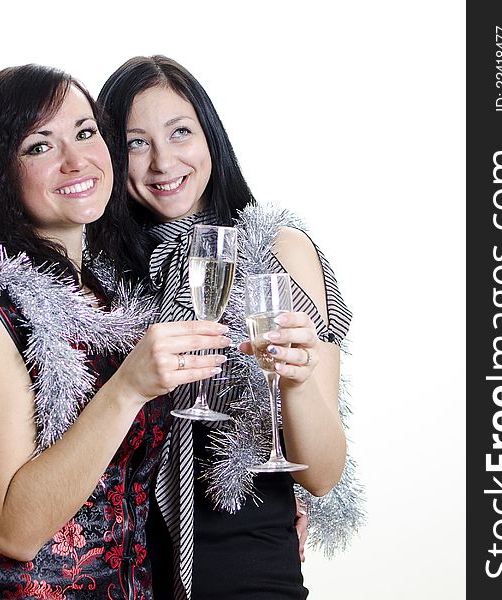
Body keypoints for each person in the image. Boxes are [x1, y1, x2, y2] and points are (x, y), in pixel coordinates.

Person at [0, 64, 233, 600]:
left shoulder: (111, 301)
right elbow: (14, 530)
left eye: (86, 133)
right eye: (40, 146)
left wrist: (280, 495)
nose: (76, 160)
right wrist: (129, 388)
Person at [88, 56, 364, 599]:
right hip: (116, 577)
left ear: (211, 135)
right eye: (135, 143)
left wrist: (299, 381)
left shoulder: (275, 251)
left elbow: (323, 474)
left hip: (250, 570)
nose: (163, 161)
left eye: (180, 132)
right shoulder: (93, 274)